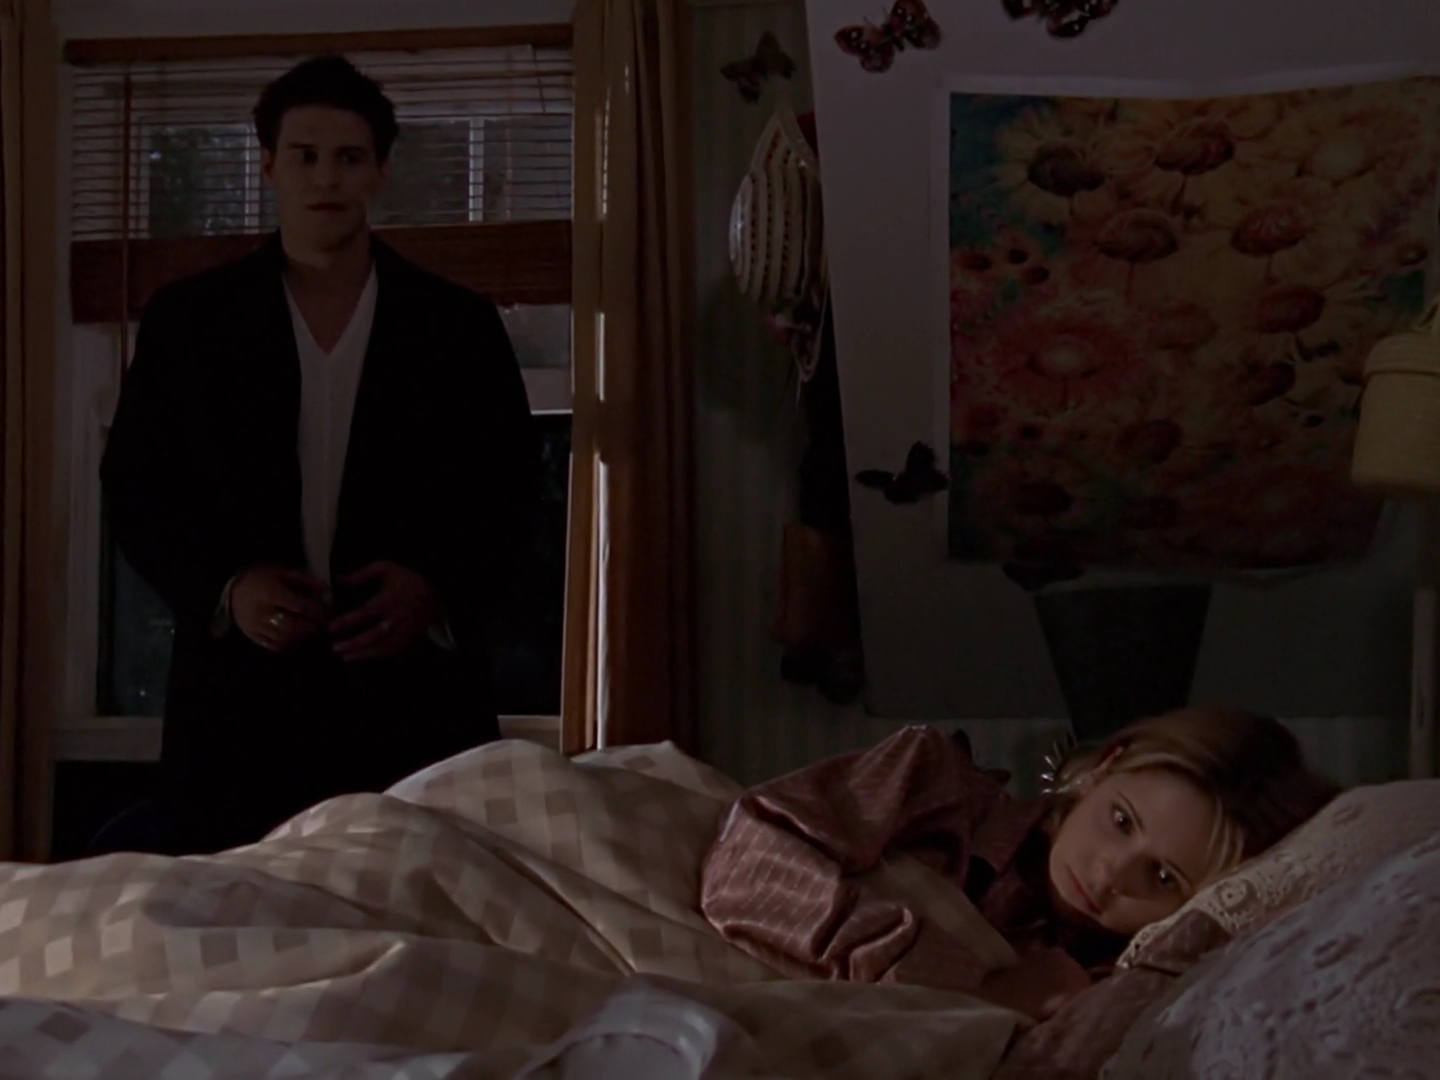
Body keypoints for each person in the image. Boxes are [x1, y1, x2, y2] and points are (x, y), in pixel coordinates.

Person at [99, 54, 540, 854]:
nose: (326, 177)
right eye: (305, 155)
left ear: (379, 172)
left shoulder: (456, 326)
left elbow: (510, 491)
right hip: (239, 705)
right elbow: (137, 487)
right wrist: (227, 588)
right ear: (269, 165)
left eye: (348, 157)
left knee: (414, 903)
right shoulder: (190, 321)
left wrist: (434, 591)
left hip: (413, 702)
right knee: (241, 910)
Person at [699, 707, 1339, 1021]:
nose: (1110, 876)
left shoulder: (1115, 987)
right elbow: (750, 865)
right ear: (1105, 768)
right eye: (1121, 822)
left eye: (1163, 877)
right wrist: (959, 982)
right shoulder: (933, 782)